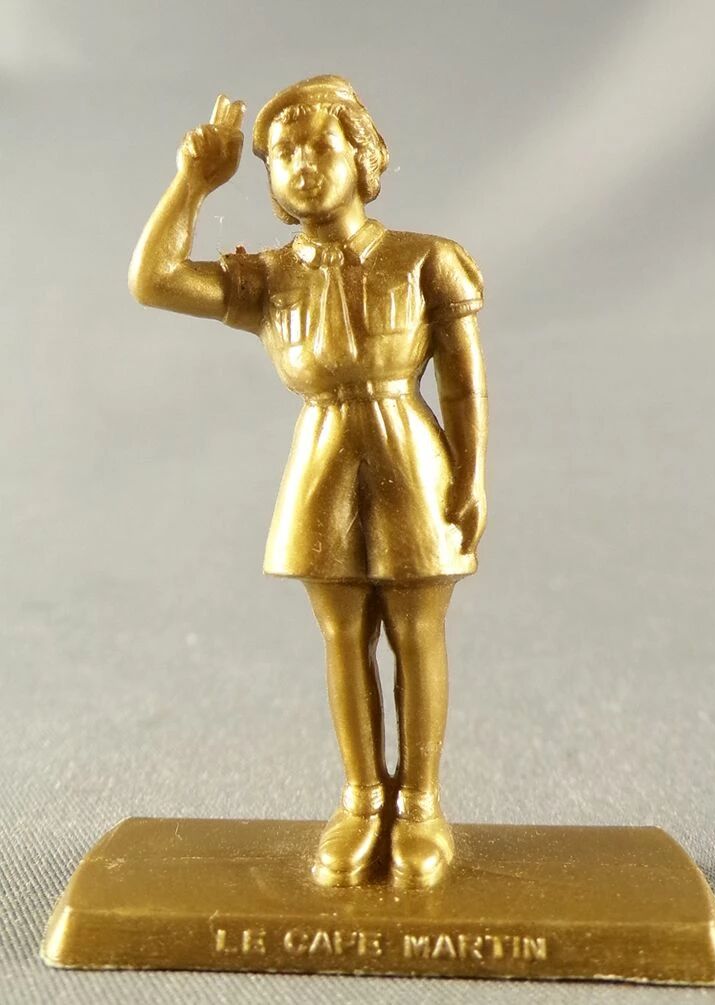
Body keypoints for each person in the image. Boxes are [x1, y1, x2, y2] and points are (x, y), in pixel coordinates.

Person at [128, 75, 487, 889]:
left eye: (319, 145)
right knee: (341, 631)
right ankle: (363, 798)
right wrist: (194, 183)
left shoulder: (426, 260)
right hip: (323, 462)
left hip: (410, 457)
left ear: (364, 157)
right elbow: (154, 279)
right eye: (282, 154)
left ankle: (421, 804)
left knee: (416, 629)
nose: (300, 163)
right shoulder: (268, 277)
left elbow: (464, 384)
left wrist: (472, 476)